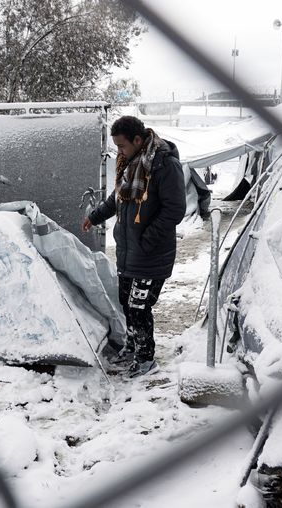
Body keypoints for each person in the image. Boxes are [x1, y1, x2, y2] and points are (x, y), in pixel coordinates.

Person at [82, 116, 186, 378]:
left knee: (139, 308)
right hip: (130, 255)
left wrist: (147, 239)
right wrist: (94, 216)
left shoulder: (164, 165)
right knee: (126, 304)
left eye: (121, 146)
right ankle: (132, 347)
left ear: (138, 140)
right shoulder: (130, 164)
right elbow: (118, 199)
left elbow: (175, 209)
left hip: (151, 256)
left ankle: (145, 359)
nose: (119, 152)